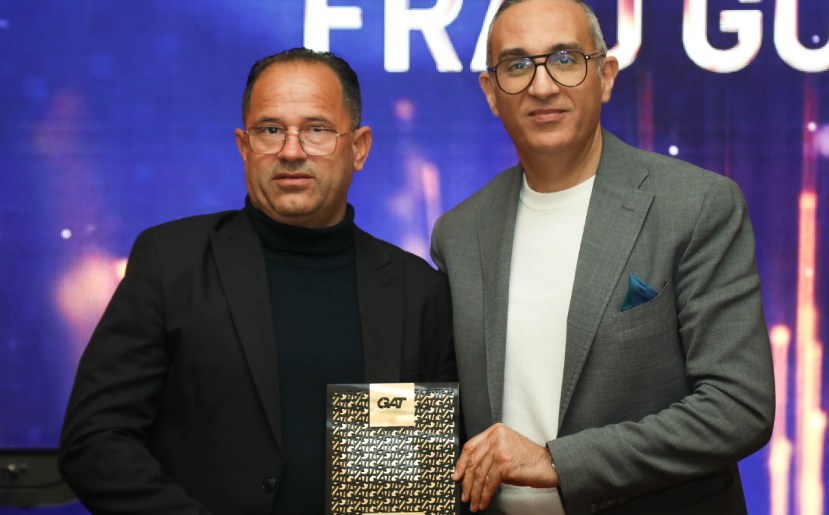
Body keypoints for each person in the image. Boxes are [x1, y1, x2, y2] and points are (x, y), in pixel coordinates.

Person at [59, 48, 456, 515]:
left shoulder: (415, 292)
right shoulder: (172, 263)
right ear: (244, 147)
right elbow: (96, 440)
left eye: (316, 130)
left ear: (359, 147)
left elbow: (401, 488)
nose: (291, 151)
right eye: (270, 130)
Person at [430, 1, 775, 514]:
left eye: (565, 59)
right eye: (517, 65)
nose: (542, 86)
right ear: (491, 92)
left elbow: (737, 407)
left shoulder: (696, 206)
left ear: (606, 76)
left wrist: (559, 462)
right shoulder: (458, 233)